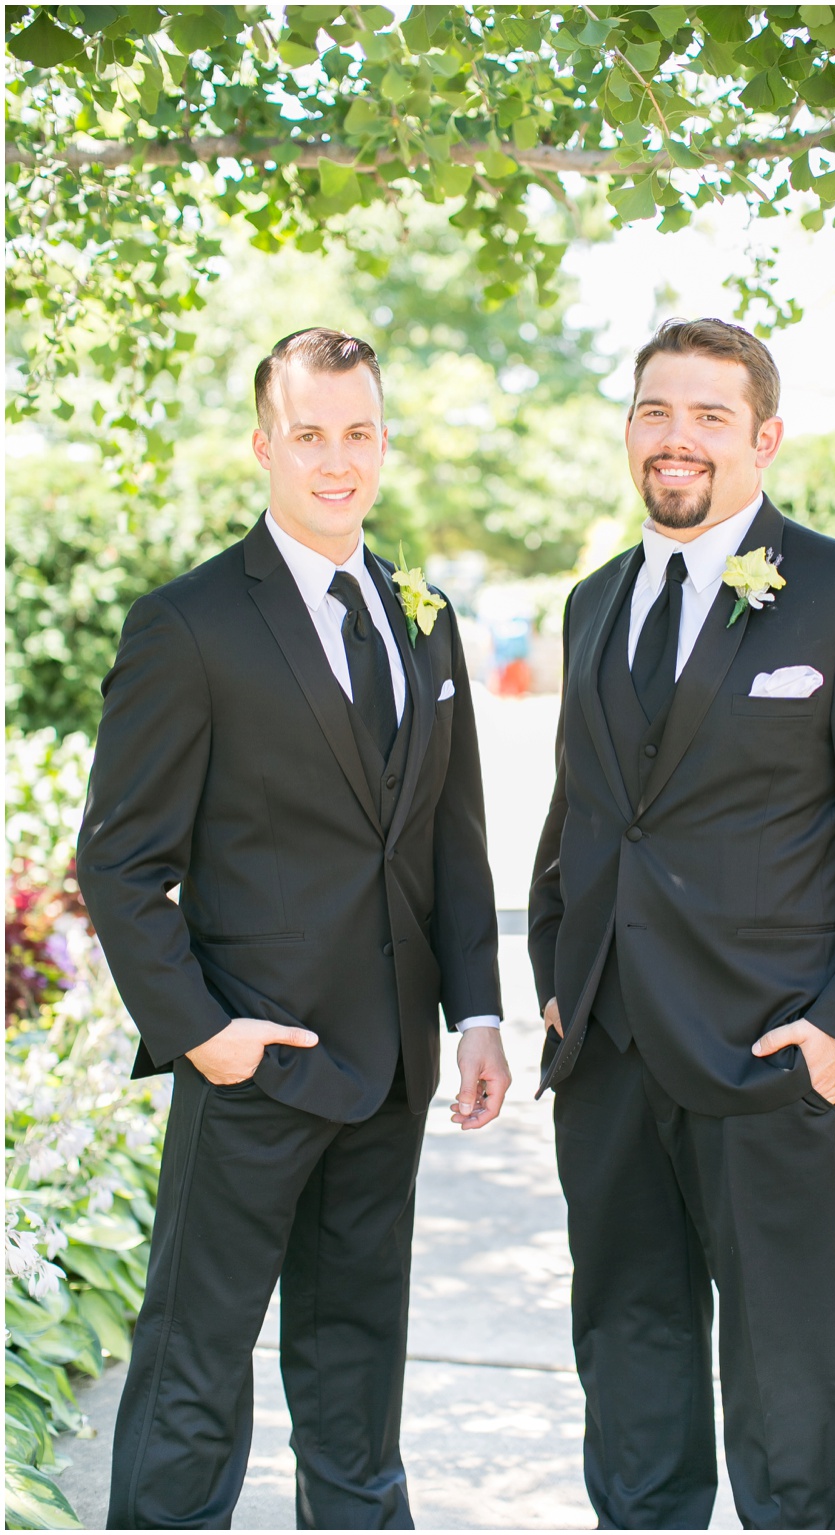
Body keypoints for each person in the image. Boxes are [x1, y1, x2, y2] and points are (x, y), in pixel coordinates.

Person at [78, 327, 509, 1529]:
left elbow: (447, 840)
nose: (337, 460)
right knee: (193, 1373)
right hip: (252, 1066)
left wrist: (474, 1012)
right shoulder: (191, 624)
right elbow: (117, 860)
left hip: (390, 1072)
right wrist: (202, 1031)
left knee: (357, 1369)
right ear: (263, 443)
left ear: (384, 443)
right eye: (309, 434)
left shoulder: (422, 616)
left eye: (359, 433)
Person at [528, 318, 835, 1529]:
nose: (678, 439)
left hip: (770, 1052)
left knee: (787, 1376)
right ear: (628, 431)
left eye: (710, 416)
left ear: (764, 438)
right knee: (625, 1344)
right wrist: (559, 968)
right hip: (605, 1045)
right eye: (656, 411)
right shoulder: (593, 601)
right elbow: (585, 812)